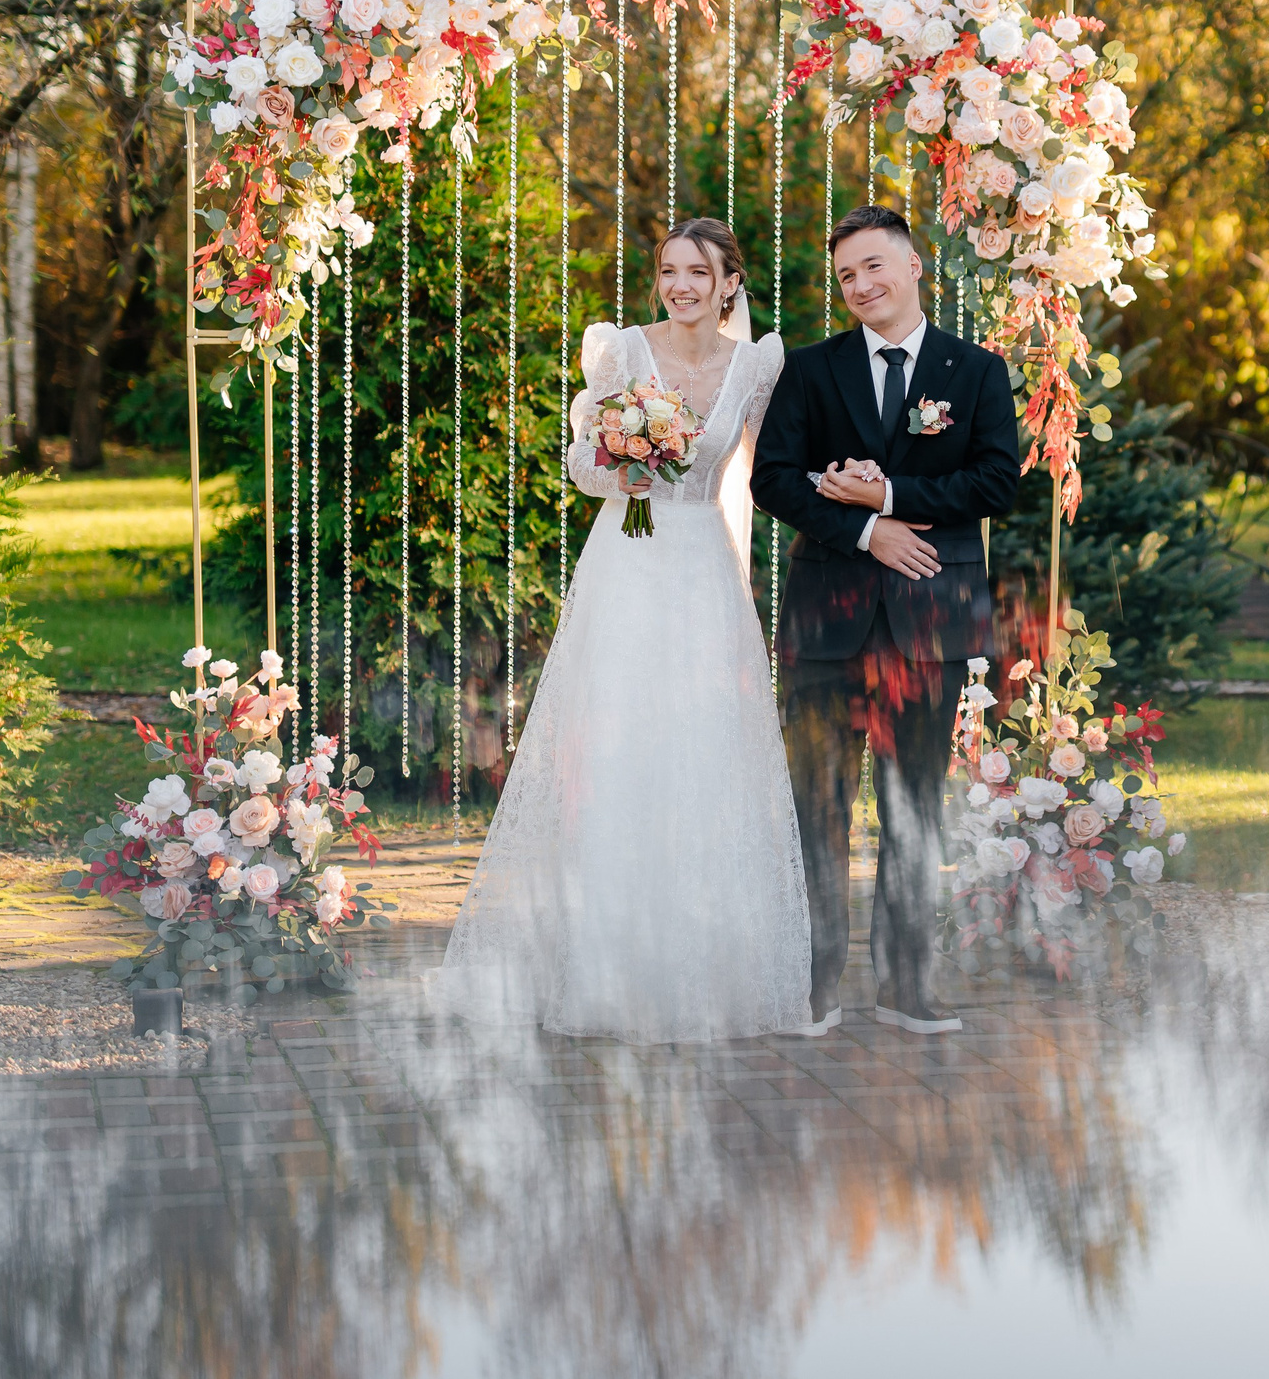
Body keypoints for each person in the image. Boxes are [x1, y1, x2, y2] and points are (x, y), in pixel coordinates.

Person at [436, 220, 811, 1042]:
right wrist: (619, 462)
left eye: (698, 272)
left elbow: (772, 468)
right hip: (625, 565)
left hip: (704, 571)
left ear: (729, 284)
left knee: (700, 753)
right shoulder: (622, 350)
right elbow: (579, 463)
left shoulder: (758, 363)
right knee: (617, 752)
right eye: (669, 271)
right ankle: (605, 964)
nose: (680, 285)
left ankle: (699, 964)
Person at [751, 205, 1022, 1036]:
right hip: (827, 623)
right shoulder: (811, 370)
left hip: (929, 623)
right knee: (817, 808)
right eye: (846, 276)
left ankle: (907, 986)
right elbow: (774, 480)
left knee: (913, 810)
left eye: (874, 267)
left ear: (913, 268)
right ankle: (814, 985)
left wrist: (892, 496)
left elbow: (995, 484)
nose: (860, 285)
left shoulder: (974, 370)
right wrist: (869, 529)